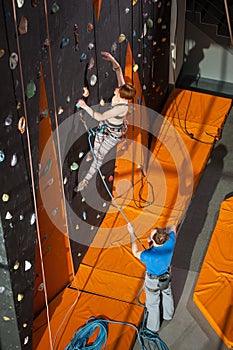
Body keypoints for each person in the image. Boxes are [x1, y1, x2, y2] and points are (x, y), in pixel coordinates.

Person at [74, 51, 136, 192]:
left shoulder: (121, 107)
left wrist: (84, 106)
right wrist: (112, 59)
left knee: (99, 157)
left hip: (112, 134)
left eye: (118, 88)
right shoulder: (123, 92)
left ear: (121, 95)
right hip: (106, 126)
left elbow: (99, 116)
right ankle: (93, 152)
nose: (117, 87)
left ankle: (85, 181)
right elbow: (118, 69)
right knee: (96, 150)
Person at [127, 222, 176, 333]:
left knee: (153, 303)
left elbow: (135, 252)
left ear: (153, 240)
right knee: (167, 293)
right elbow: (173, 227)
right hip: (166, 276)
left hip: (153, 280)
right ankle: (168, 315)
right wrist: (161, 234)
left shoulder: (148, 255)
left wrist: (131, 234)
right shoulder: (170, 242)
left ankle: (153, 327)